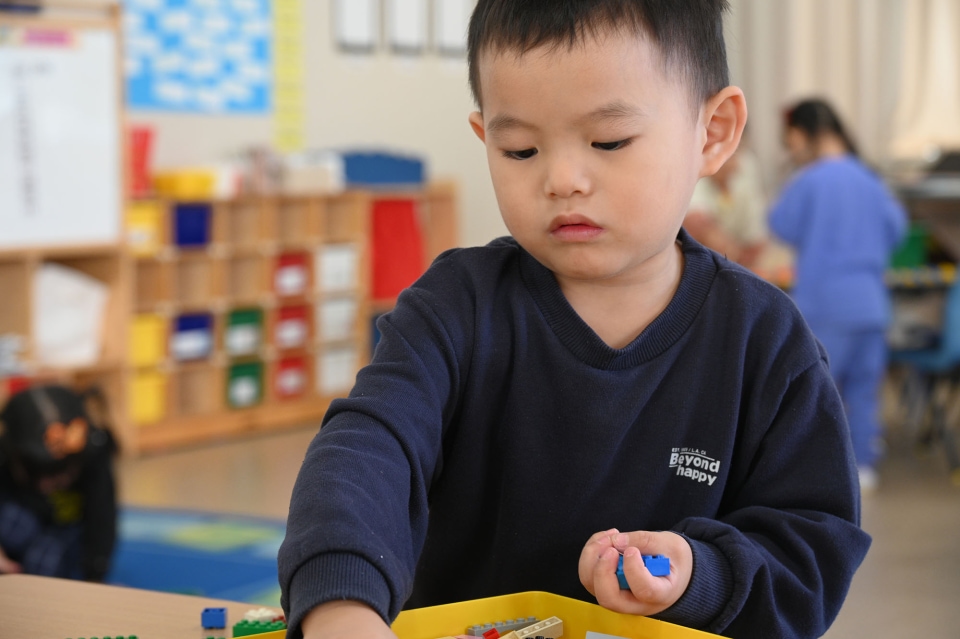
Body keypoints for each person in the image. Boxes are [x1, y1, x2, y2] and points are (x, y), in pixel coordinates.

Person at [279, 3, 871, 638]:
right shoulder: (455, 306)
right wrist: (341, 604)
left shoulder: (764, 339)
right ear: (486, 139)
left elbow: (810, 545)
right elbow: (367, 449)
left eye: (608, 141)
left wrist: (705, 574)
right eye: (521, 149)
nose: (561, 179)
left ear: (713, 131)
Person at [769, 98, 908, 492]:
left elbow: (781, 224)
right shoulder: (870, 179)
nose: (790, 149)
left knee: (817, 393)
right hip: (871, 305)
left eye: (790, 141)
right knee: (865, 391)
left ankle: (821, 477)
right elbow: (896, 230)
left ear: (803, 134)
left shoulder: (808, 181)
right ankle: (863, 467)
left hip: (826, 304)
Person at [0, 384, 118, 581]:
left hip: (68, 526)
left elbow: (102, 518)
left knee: (44, 563)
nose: (53, 484)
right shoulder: (7, 455)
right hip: (26, 515)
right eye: (42, 473)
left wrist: (95, 574)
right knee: (11, 526)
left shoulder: (94, 451)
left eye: (65, 472)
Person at [683, 133, 768, 268]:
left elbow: (757, 236)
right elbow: (697, 224)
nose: (735, 164)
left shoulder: (746, 166)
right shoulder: (694, 169)